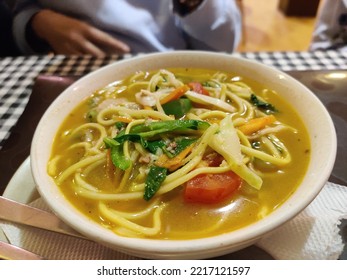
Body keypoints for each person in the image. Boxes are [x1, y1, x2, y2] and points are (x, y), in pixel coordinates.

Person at [11, 0, 242, 56]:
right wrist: (38, 21)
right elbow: (15, 8)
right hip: (79, 63)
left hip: (169, 56)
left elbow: (222, 46)